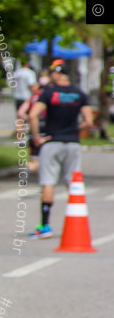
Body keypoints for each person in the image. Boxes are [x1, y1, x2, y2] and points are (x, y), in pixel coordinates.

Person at [28, 60, 94, 239]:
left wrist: (37, 138)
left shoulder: (49, 93)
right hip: (72, 142)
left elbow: (33, 115)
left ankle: (45, 225)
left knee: (48, 181)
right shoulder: (79, 93)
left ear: (56, 73)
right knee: (73, 183)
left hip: (52, 140)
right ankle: (77, 222)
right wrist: (74, 130)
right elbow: (89, 121)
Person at [17, 75, 48, 172]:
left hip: (34, 128)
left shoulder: (32, 98)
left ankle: (31, 168)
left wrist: (28, 118)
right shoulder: (49, 96)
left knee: (34, 156)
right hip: (47, 127)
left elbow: (20, 113)